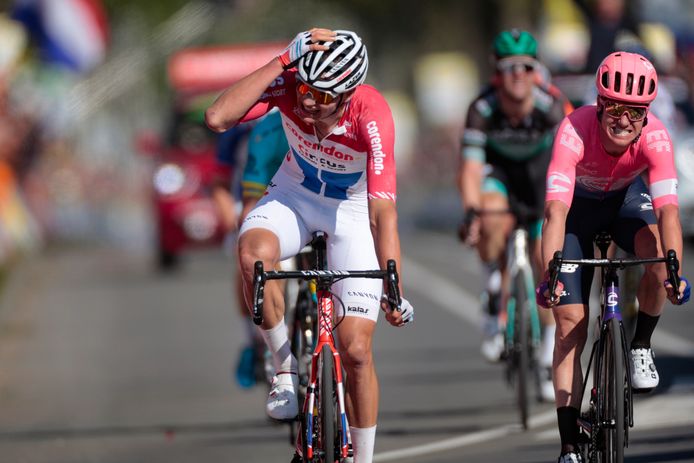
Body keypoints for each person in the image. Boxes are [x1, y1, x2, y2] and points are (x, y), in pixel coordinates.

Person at [205, 28, 414, 463]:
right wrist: (283, 61)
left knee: (356, 349)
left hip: (353, 212)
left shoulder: (372, 115)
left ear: (348, 94)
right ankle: (284, 369)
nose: (308, 103)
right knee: (251, 254)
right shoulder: (289, 86)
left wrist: (393, 284)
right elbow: (217, 118)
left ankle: (364, 458)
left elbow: (382, 214)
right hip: (294, 195)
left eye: (322, 96)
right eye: (305, 89)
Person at [536, 51, 691, 463]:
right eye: (616, 109)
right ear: (600, 104)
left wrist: (673, 268)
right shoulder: (573, 130)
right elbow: (555, 212)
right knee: (571, 324)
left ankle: (640, 344)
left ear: (647, 114)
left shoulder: (656, 136)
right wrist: (550, 274)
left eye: (636, 112)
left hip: (625, 202)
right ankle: (569, 441)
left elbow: (668, 211)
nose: (625, 121)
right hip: (575, 216)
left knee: (657, 255)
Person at [457, 29, 572, 401]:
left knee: (547, 262)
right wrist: (472, 213)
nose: (518, 75)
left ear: (537, 71)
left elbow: (572, 161)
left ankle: (544, 359)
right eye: (509, 68)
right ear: (496, 72)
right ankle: (494, 293)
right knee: (491, 217)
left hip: (542, 183)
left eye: (526, 67)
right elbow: (471, 170)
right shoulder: (482, 108)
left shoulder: (552, 106)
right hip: (501, 179)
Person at [212, 110, 289, 389]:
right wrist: (232, 223)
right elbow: (220, 184)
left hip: (293, 204)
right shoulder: (237, 131)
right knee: (248, 261)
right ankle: (254, 340)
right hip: (248, 201)